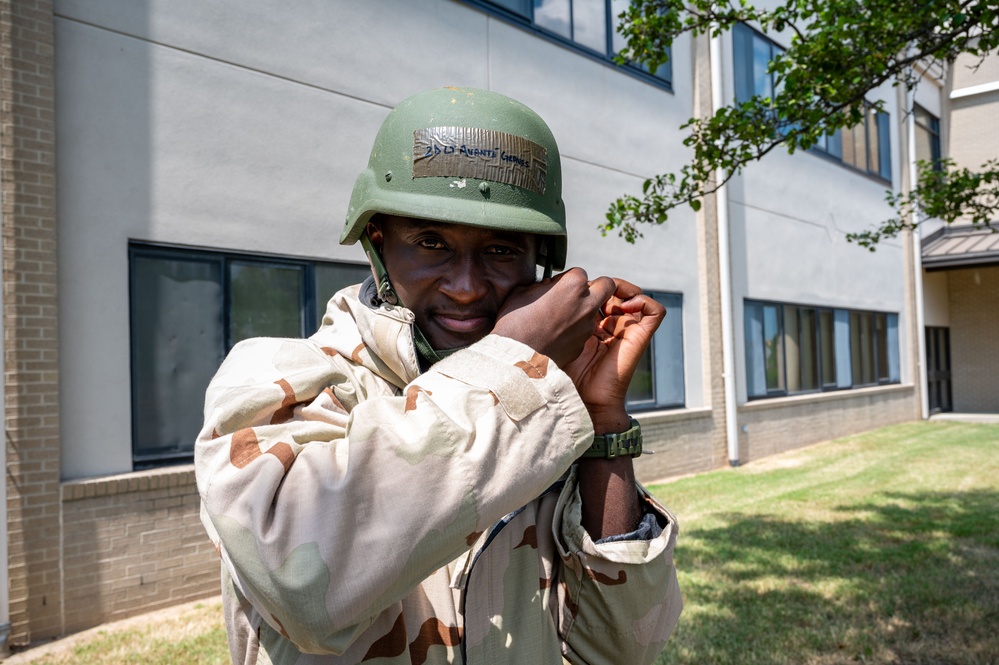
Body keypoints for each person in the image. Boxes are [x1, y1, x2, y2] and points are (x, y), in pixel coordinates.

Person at [195, 87, 682, 665]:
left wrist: (602, 428)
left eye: (500, 250)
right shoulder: (283, 381)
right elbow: (301, 589)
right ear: (379, 244)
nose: (467, 286)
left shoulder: (544, 406)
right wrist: (513, 356)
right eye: (431, 242)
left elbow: (625, 649)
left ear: (539, 268)